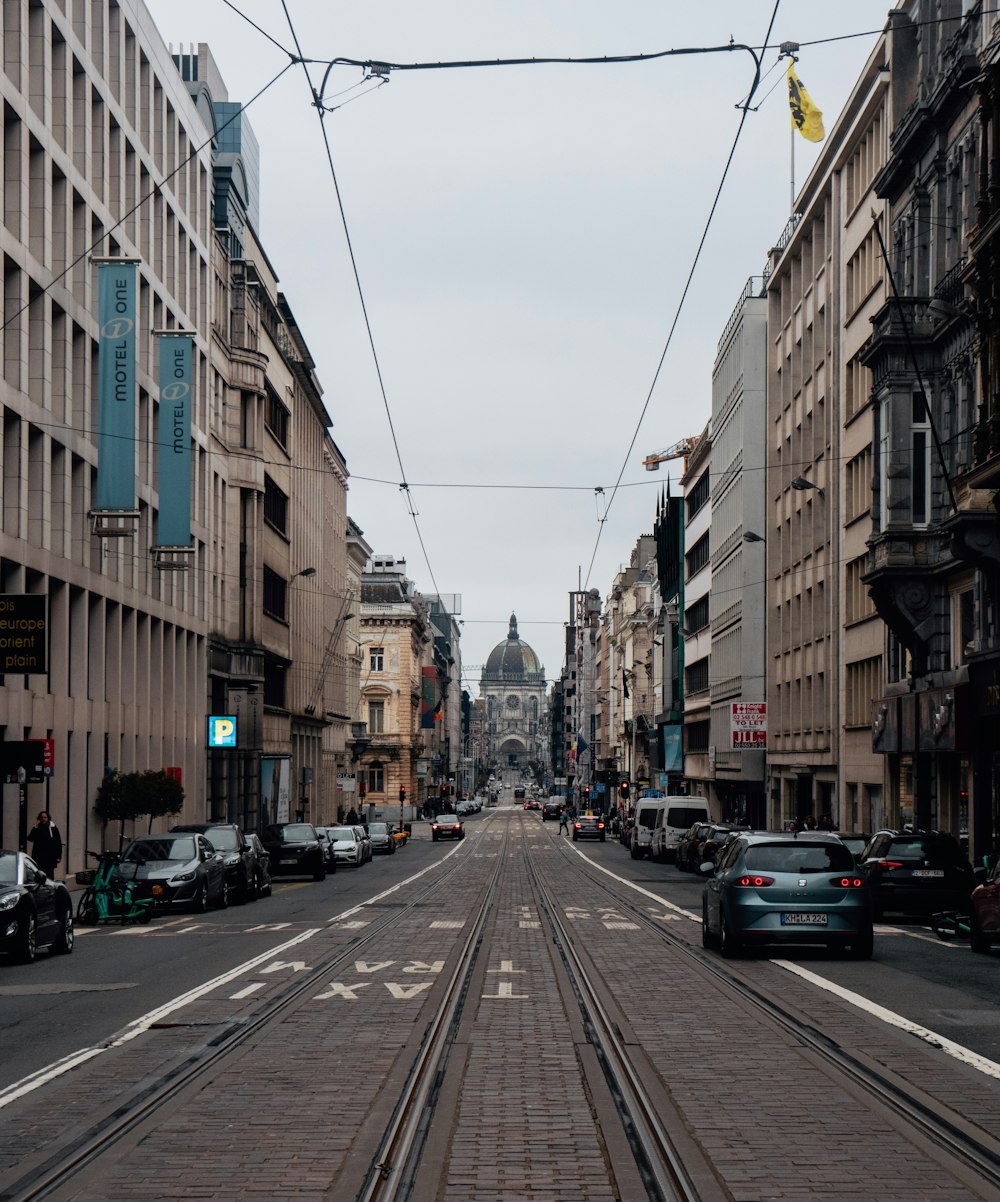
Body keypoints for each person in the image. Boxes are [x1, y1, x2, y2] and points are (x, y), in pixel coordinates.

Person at [27, 810, 62, 878]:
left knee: (49, 874)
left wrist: (58, 856)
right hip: (38, 856)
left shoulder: (53, 828)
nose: (43, 819)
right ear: (39, 819)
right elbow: (30, 838)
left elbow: (58, 842)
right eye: (42, 817)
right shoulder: (37, 828)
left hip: (50, 856)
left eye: (45, 817)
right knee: (39, 874)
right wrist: (35, 827)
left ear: (48, 818)